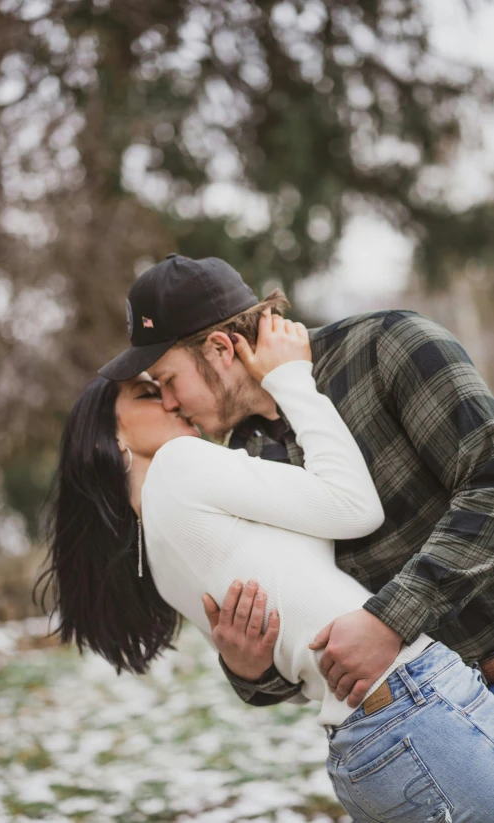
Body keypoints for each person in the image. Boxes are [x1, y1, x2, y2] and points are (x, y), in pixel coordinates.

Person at [40, 310, 494, 821]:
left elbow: (291, 638)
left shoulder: (157, 553)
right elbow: (354, 509)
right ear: (111, 438)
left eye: (166, 383)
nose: (170, 402)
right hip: (410, 701)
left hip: (362, 741)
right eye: (151, 392)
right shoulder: (182, 464)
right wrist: (293, 380)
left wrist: (246, 669)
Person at [98, 253, 494, 713]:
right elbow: (305, 656)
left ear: (221, 349)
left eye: (168, 380)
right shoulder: (243, 456)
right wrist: (249, 668)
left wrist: (391, 620)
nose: (168, 402)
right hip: (432, 720)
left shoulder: (386, 347)